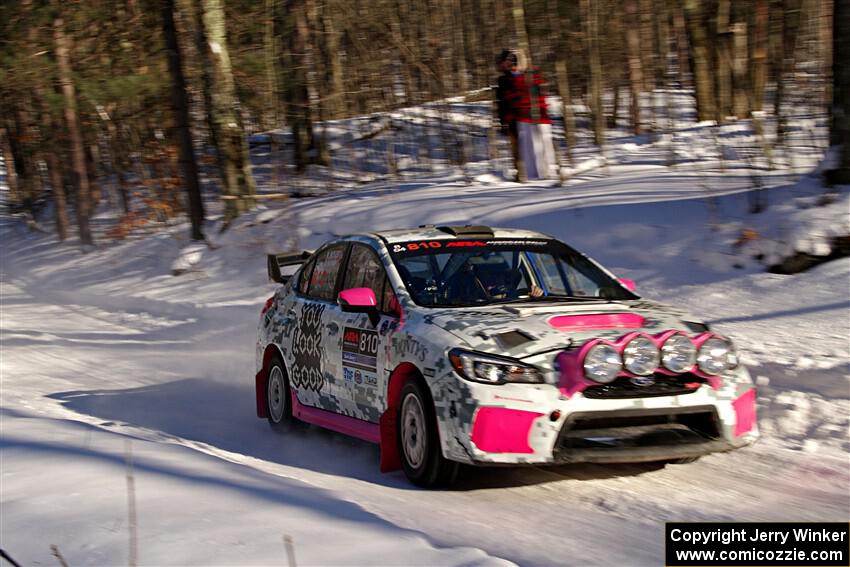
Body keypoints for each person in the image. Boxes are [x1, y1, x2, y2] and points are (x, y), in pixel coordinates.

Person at [510, 50, 556, 180]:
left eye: (515, 64)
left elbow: (538, 93)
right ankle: (533, 175)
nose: (513, 68)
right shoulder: (517, 77)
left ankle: (546, 173)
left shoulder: (531, 75)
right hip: (524, 118)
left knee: (542, 145)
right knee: (528, 148)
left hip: (538, 117)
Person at [494, 50, 525, 182]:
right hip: (511, 118)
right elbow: (500, 103)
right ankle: (520, 174)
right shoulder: (502, 79)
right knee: (516, 148)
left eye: (511, 62)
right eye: (507, 62)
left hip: (524, 117)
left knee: (526, 146)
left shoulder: (521, 77)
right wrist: (502, 122)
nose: (509, 64)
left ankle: (529, 172)